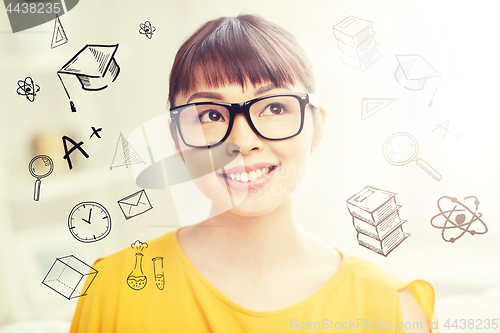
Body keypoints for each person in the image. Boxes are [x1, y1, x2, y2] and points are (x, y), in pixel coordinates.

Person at [70, 14, 437, 332]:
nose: (242, 141)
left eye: (274, 107)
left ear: (316, 126)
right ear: (177, 141)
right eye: (211, 115)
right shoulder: (113, 289)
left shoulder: (393, 309)